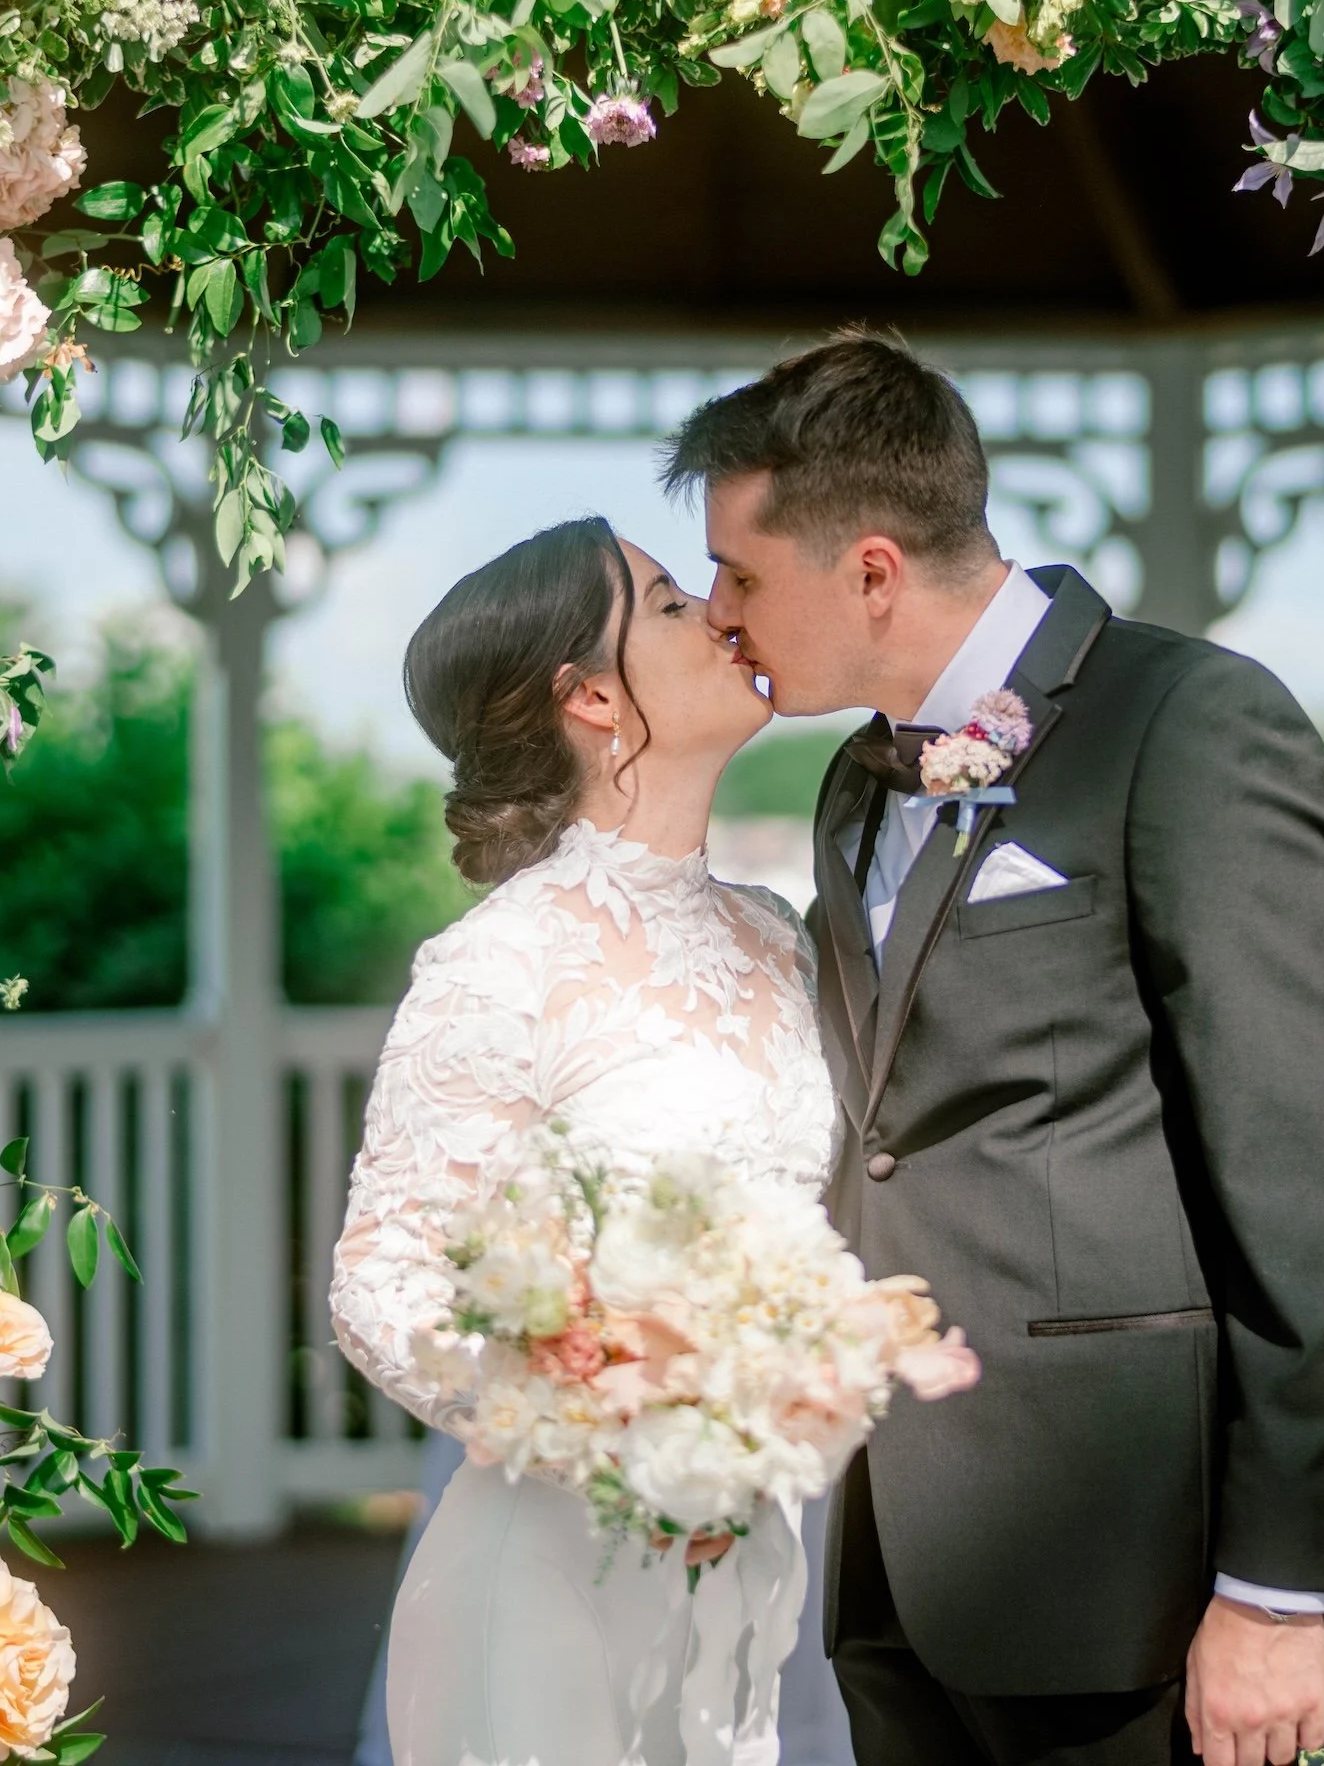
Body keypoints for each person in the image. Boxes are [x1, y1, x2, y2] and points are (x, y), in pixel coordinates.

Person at [663, 333, 1324, 1766]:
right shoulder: (850, 783)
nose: (718, 610)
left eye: (742, 575)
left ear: (870, 570)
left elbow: (1308, 1179)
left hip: (1126, 1569)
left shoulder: (1185, 724)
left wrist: (1275, 1588)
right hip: (894, 1553)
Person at [329, 517, 841, 1766]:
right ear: (594, 696)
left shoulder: (779, 934)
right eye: (670, 602)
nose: (721, 613)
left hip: (784, 1529)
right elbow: (379, 1286)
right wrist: (607, 1425)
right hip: (573, 1542)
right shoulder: (498, 963)